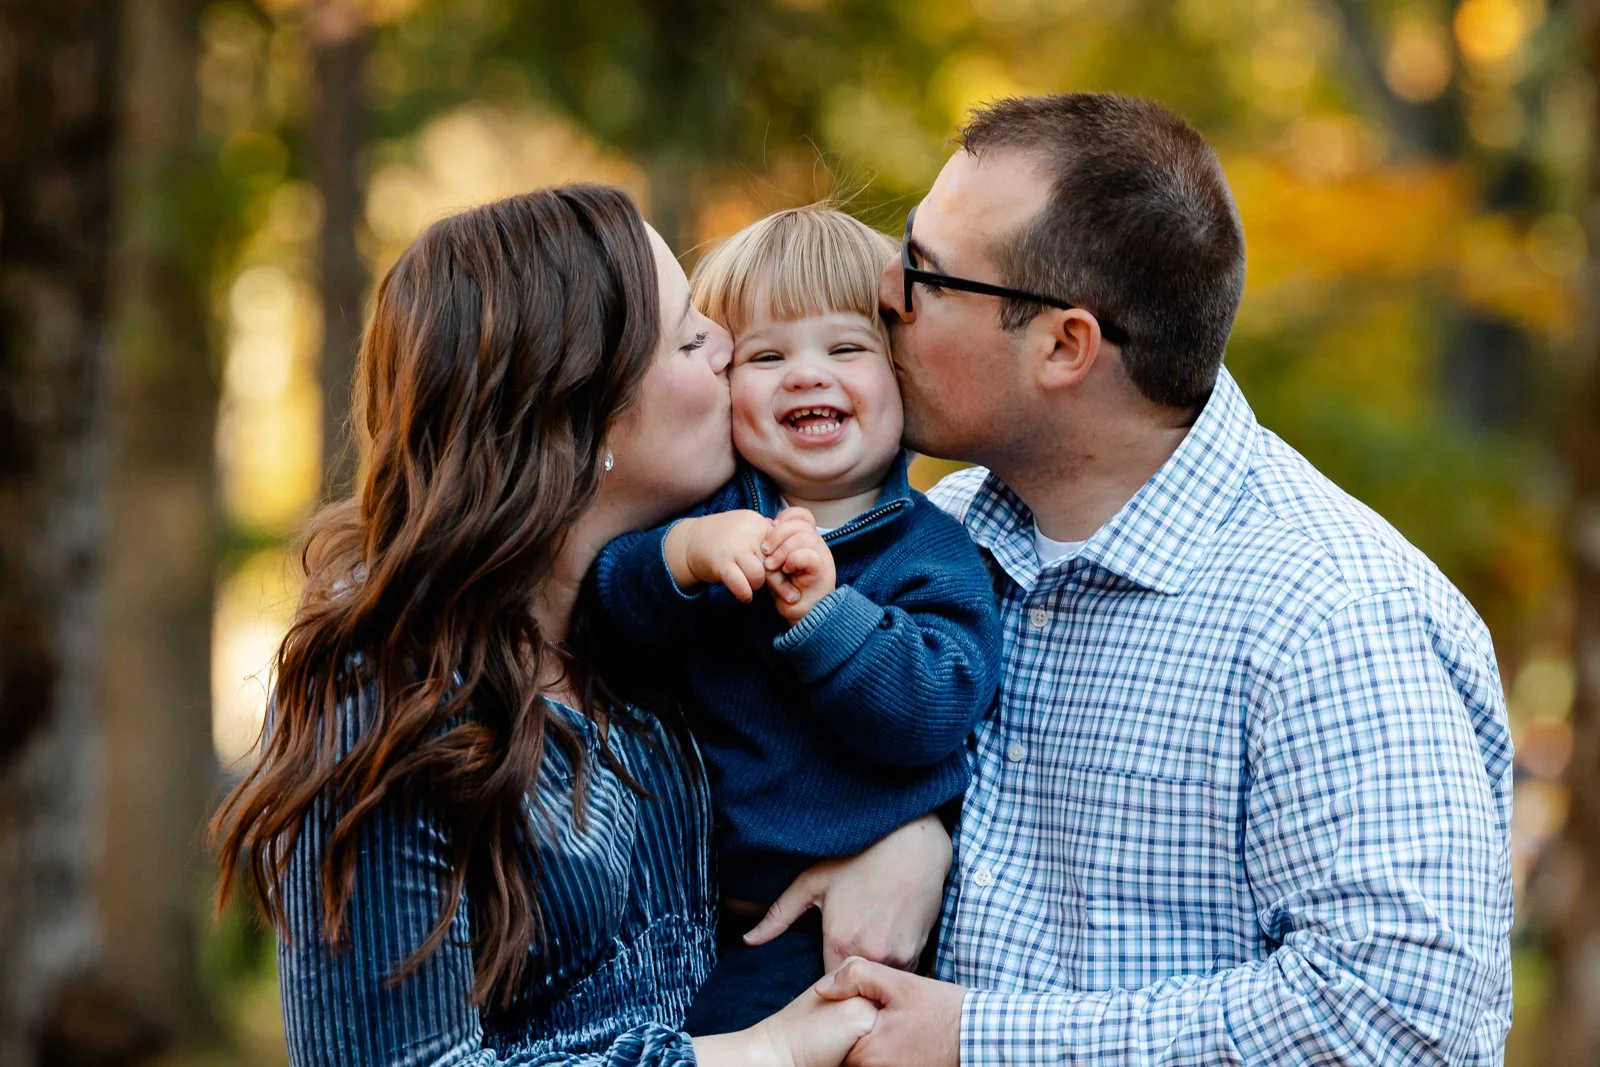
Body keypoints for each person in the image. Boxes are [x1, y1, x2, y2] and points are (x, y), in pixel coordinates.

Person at [798, 94, 1513, 1065]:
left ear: (1065, 345)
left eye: (923, 270)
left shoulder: (1331, 613)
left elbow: (1398, 1014)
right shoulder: (944, 531)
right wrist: (909, 828)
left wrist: (982, 1038)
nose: (882, 288)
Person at [208, 185, 950, 1067]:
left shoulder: (657, 631)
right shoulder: (391, 699)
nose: (727, 349)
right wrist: (764, 1053)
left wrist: (915, 838)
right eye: (689, 336)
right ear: (577, 413)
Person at [587, 206, 1001, 1036]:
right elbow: (607, 614)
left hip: (847, 918)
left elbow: (934, 710)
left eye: (846, 348)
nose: (806, 375)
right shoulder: (709, 515)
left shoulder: (934, 552)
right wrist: (685, 551)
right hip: (695, 914)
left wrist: (825, 613)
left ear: (903, 377)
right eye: (766, 355)